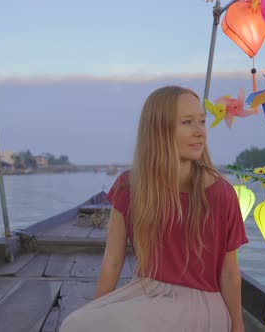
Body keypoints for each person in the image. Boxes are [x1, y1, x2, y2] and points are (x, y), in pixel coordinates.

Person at [59, 86, 248, 332]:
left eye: (201, 121)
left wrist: (237, 326)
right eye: (187, 122)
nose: (200, 131)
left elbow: (229, 274)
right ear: (158, 130)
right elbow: (112, 261)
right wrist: (99, 309)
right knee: (74, 324)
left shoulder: (221, 193)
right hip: (148, 291)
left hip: (201, 305)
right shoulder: (129, 186)